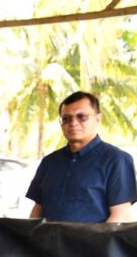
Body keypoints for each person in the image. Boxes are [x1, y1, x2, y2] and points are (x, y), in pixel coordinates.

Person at [26, 91, 136, 223]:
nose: (73, 123)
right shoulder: (49, 162)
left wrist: (96, 244)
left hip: (92, 243)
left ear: (98, 119)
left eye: (81, 116)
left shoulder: (117, 160)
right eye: (66, 118)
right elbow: (38, 209)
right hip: (47, 243)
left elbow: (121, 216)